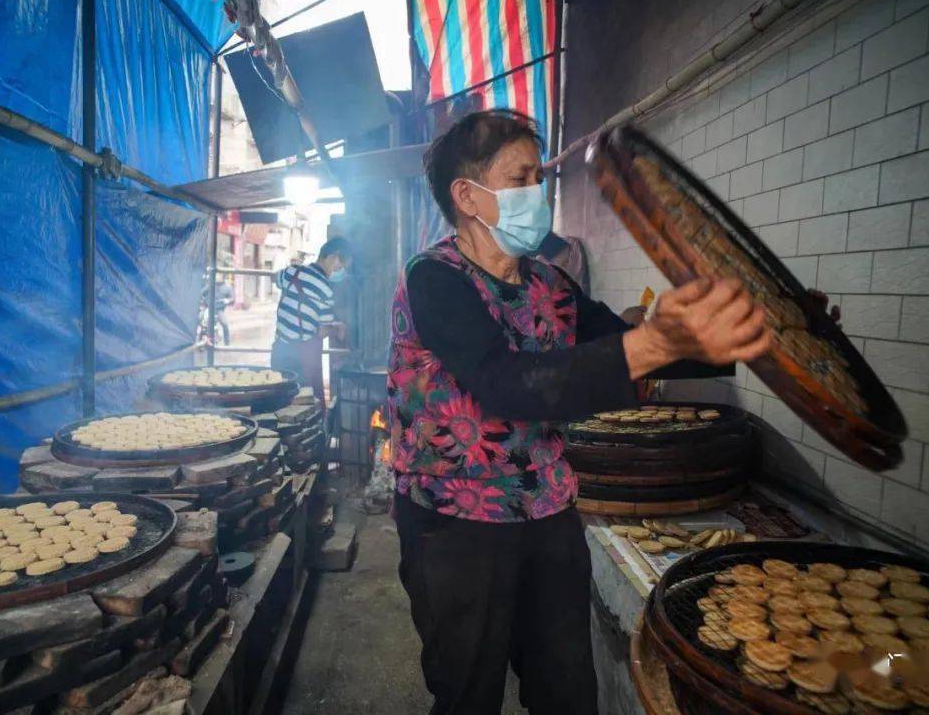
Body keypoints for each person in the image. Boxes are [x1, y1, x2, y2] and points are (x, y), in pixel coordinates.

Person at [387, 109, 772, 715]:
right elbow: (504, 383)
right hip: (456, 525)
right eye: (522, 179)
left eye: (540, 178)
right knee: (467, 692)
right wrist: (649, 343)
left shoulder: (552, 285)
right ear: (467, 195)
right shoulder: (434, 279)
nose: (538, 195)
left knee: (566, 690)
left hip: (547, 513)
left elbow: (620, 346)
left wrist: (743, 333)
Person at [271, 237, 351, 402]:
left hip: (280, 350)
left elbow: (274, 277)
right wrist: (337, 328)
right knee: (303, 401)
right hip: (302, 356)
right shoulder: (326, 290)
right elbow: (321, 331)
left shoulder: (293, 272)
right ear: (333, 258)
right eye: (341, 267)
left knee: (279, 396)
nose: (341, 271)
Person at [201, 273, 234, 345]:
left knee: (225, 324)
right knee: (202, 322)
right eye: (216, 276)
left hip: (219, 309)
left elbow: (232, 298)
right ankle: (202, 341)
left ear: (223, 277)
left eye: (219, 276)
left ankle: (227, 343)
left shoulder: (228, 287)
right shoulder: (211, 285)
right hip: (208, 308)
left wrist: (227, 300)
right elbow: (202, 293)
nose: (217, 277)